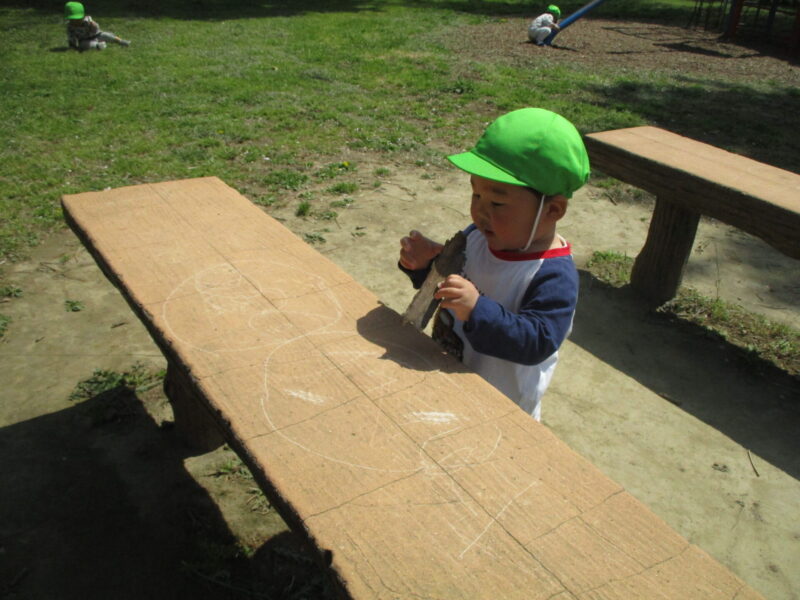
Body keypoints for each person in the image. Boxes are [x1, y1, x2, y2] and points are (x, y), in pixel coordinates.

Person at [398, 108, 589, 421]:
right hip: (445, 381)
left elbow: (538, 342)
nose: (480, 212)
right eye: (476, 195)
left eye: (497, 202)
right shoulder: (475, 237)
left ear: (553, 210)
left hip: (500, 410)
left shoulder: (551, 274)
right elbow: (446, 288)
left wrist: (477, 309)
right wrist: (425, 266)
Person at [65, 2, 130, 51]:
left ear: (83, 16)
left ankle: (120, 41)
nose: (75, 22)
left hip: (97, 35)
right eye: (72, 20)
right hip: (85, 40)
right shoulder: (70, 27)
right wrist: (73, 46)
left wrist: (92, 24)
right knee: (84, 45)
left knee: (107, 35)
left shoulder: (87, 21)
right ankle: (98, 46)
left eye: (78, 20)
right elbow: (71, 37)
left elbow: (96, 29)